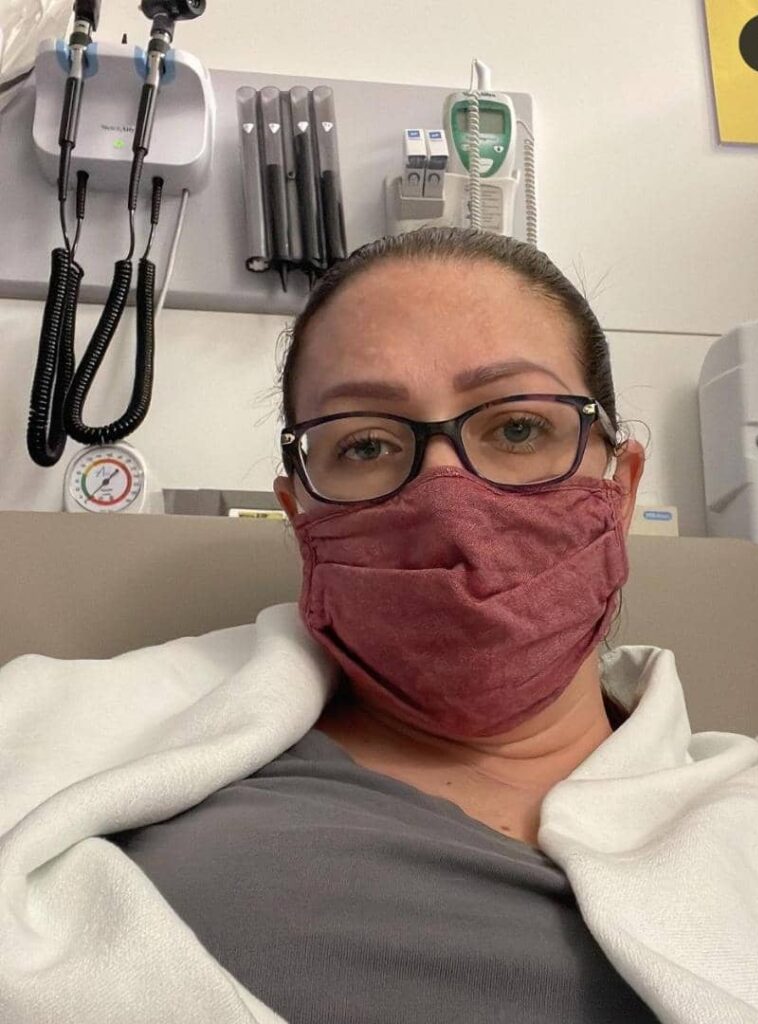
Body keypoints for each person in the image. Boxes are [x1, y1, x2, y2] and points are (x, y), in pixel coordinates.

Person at [108, 226, 662, 1022]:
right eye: (366, 443)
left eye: (516, 428)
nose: (446, 496)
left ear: (620, 488)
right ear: (298, 515)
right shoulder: (132, 782)